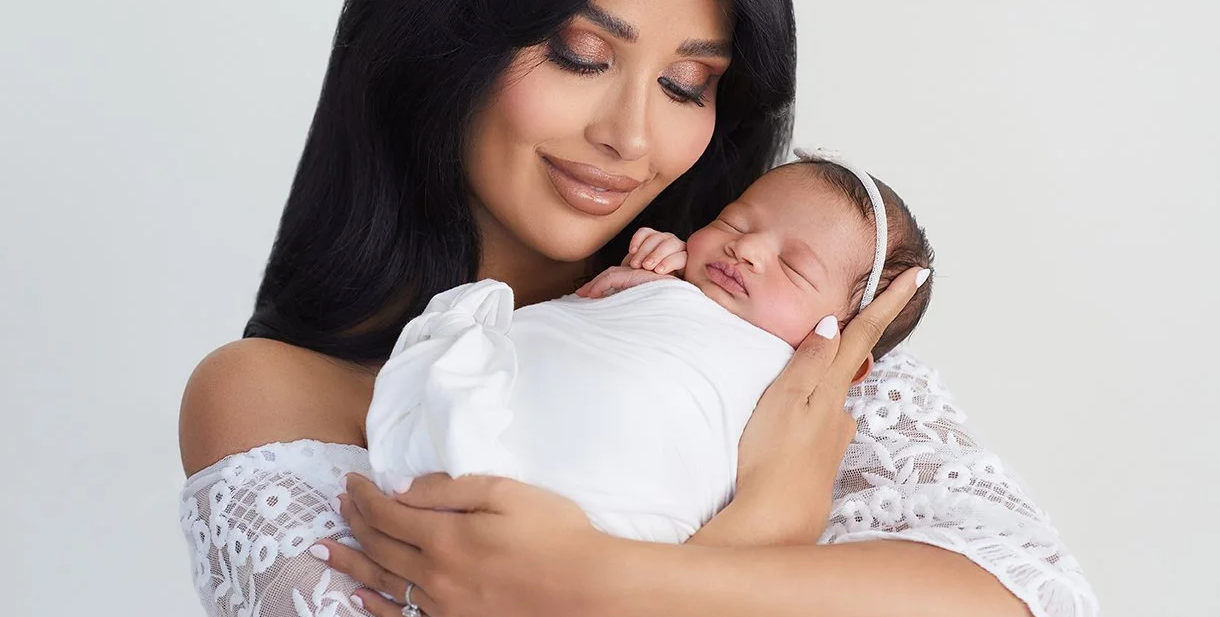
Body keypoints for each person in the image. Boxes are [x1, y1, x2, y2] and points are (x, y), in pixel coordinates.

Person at [178, 0, 1098, 617]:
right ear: (443, 38)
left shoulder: (785, 346)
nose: (630, 134)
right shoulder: (274, 396)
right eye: (580, 55)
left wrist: (598, 578)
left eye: (686, 85)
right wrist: (759, 531)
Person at [363, 156, 935, 549]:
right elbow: (590, 321)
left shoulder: (791, 391)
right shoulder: (676, 282)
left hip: (602, 520)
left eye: (794, 266)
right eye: (734, 221)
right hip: (494, 414)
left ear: (845, 358)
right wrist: (648, 276)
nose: (748, 248)